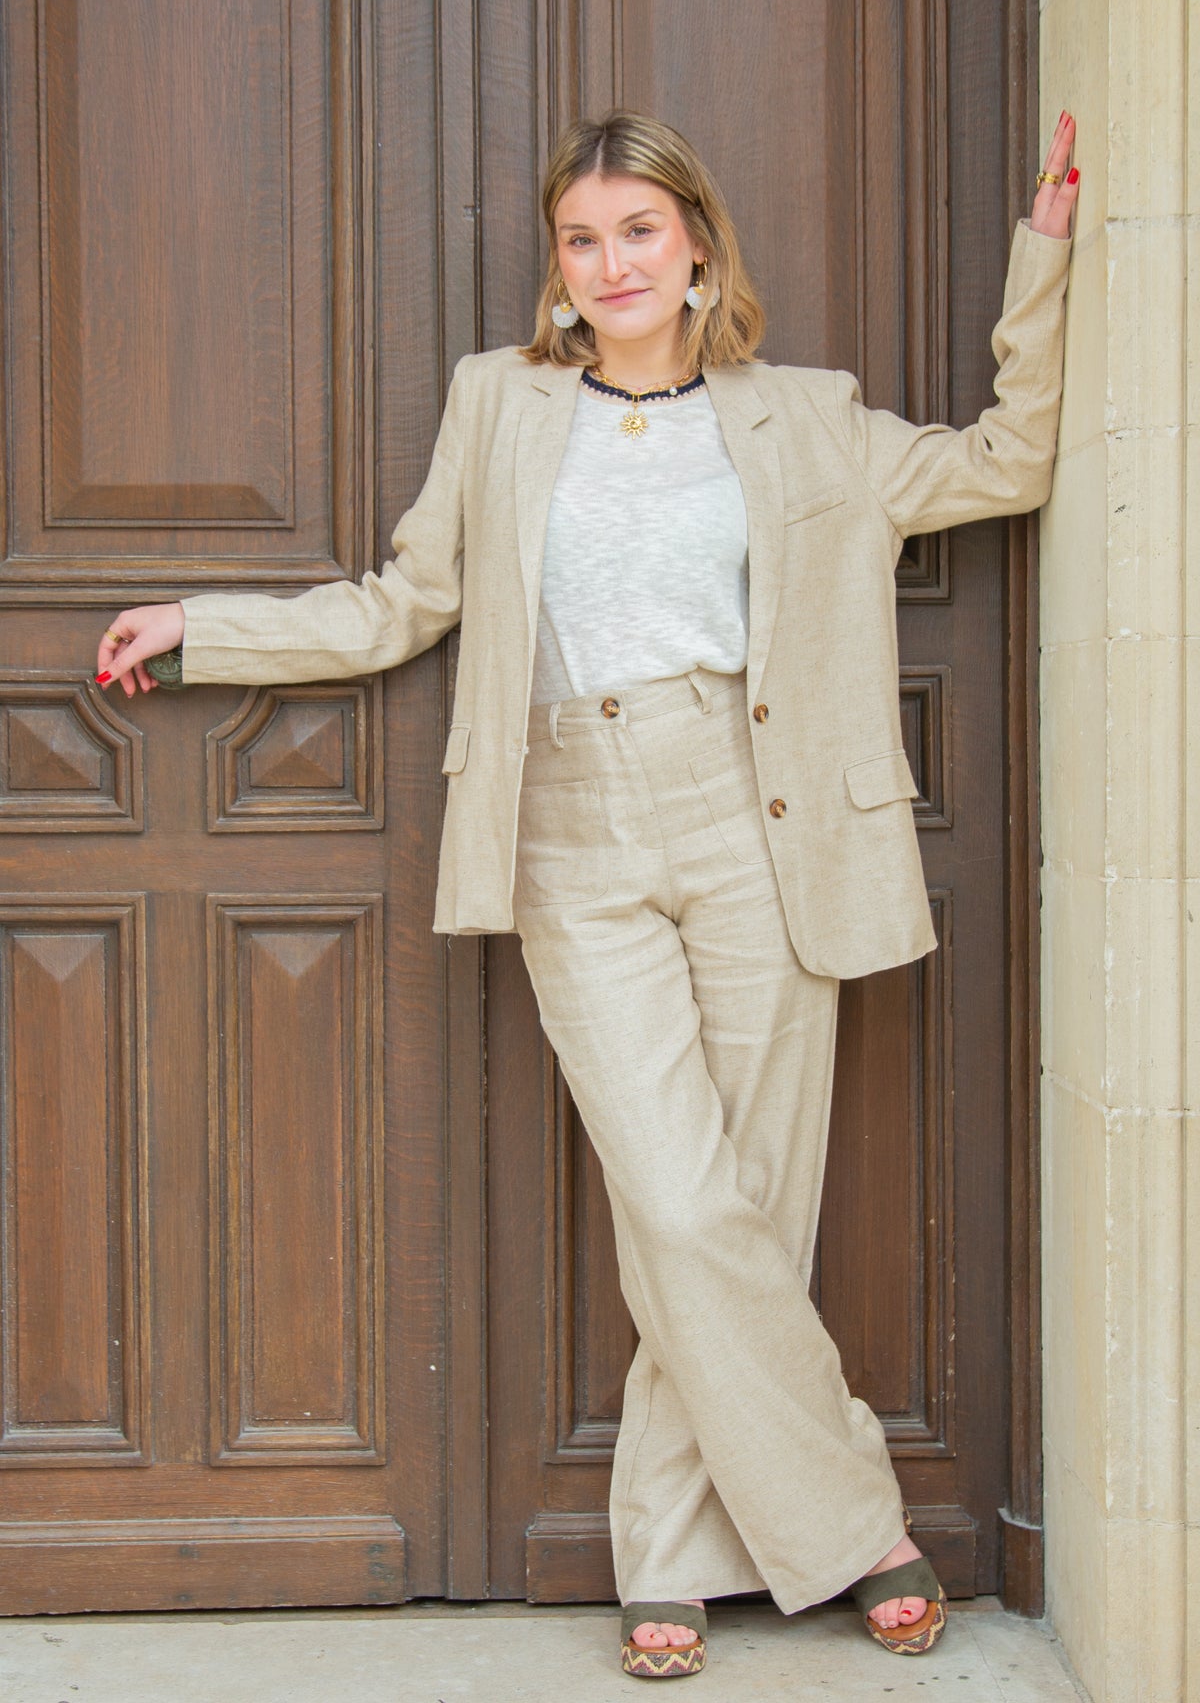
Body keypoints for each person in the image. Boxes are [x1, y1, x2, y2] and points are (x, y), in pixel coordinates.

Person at [96, 108, 1078, 1679]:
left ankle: (667, 1556)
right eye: (582, 238)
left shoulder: (806, 416)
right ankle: (858, 1525)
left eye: (638, 231)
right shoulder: (502, 405)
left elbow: (1010, 460)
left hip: (764, 825)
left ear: (696, 250)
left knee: (744, 1206)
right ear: (558, 268)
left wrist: (1049, 257)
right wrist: (207, 629)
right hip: (571, 823)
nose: (612, 263)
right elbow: (405, 602)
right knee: (680, 1201)